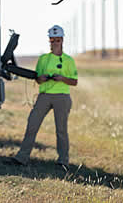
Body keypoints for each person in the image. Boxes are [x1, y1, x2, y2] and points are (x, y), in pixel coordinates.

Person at [13, 25, 78, 167]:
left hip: (62, 97)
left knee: (61, 130)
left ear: (62, 40)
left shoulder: (69, 60)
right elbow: (37, 78)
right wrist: (40, 78)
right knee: (32, 124)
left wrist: (62, 78)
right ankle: (22, 157)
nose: (54, 42)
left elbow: (74, 81)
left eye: (57, 40)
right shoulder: (43, 59)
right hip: (44, 96)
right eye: (52, 40)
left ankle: (63, 161)